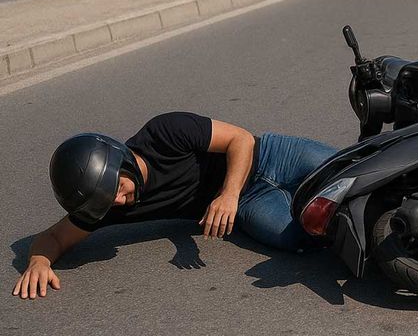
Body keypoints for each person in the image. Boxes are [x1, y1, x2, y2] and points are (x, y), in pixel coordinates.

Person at [11, 112, 337, 300]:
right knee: (300, 235)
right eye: (110, 201)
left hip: (270, 156)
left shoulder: (164, 132)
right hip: (251, 202)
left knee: (344, 169)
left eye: (119, 189)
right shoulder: (105, 201)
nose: (120, 201)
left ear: (119, 162)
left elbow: (241, 139)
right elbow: (53, 237)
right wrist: (38, 262)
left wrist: (228, 194)